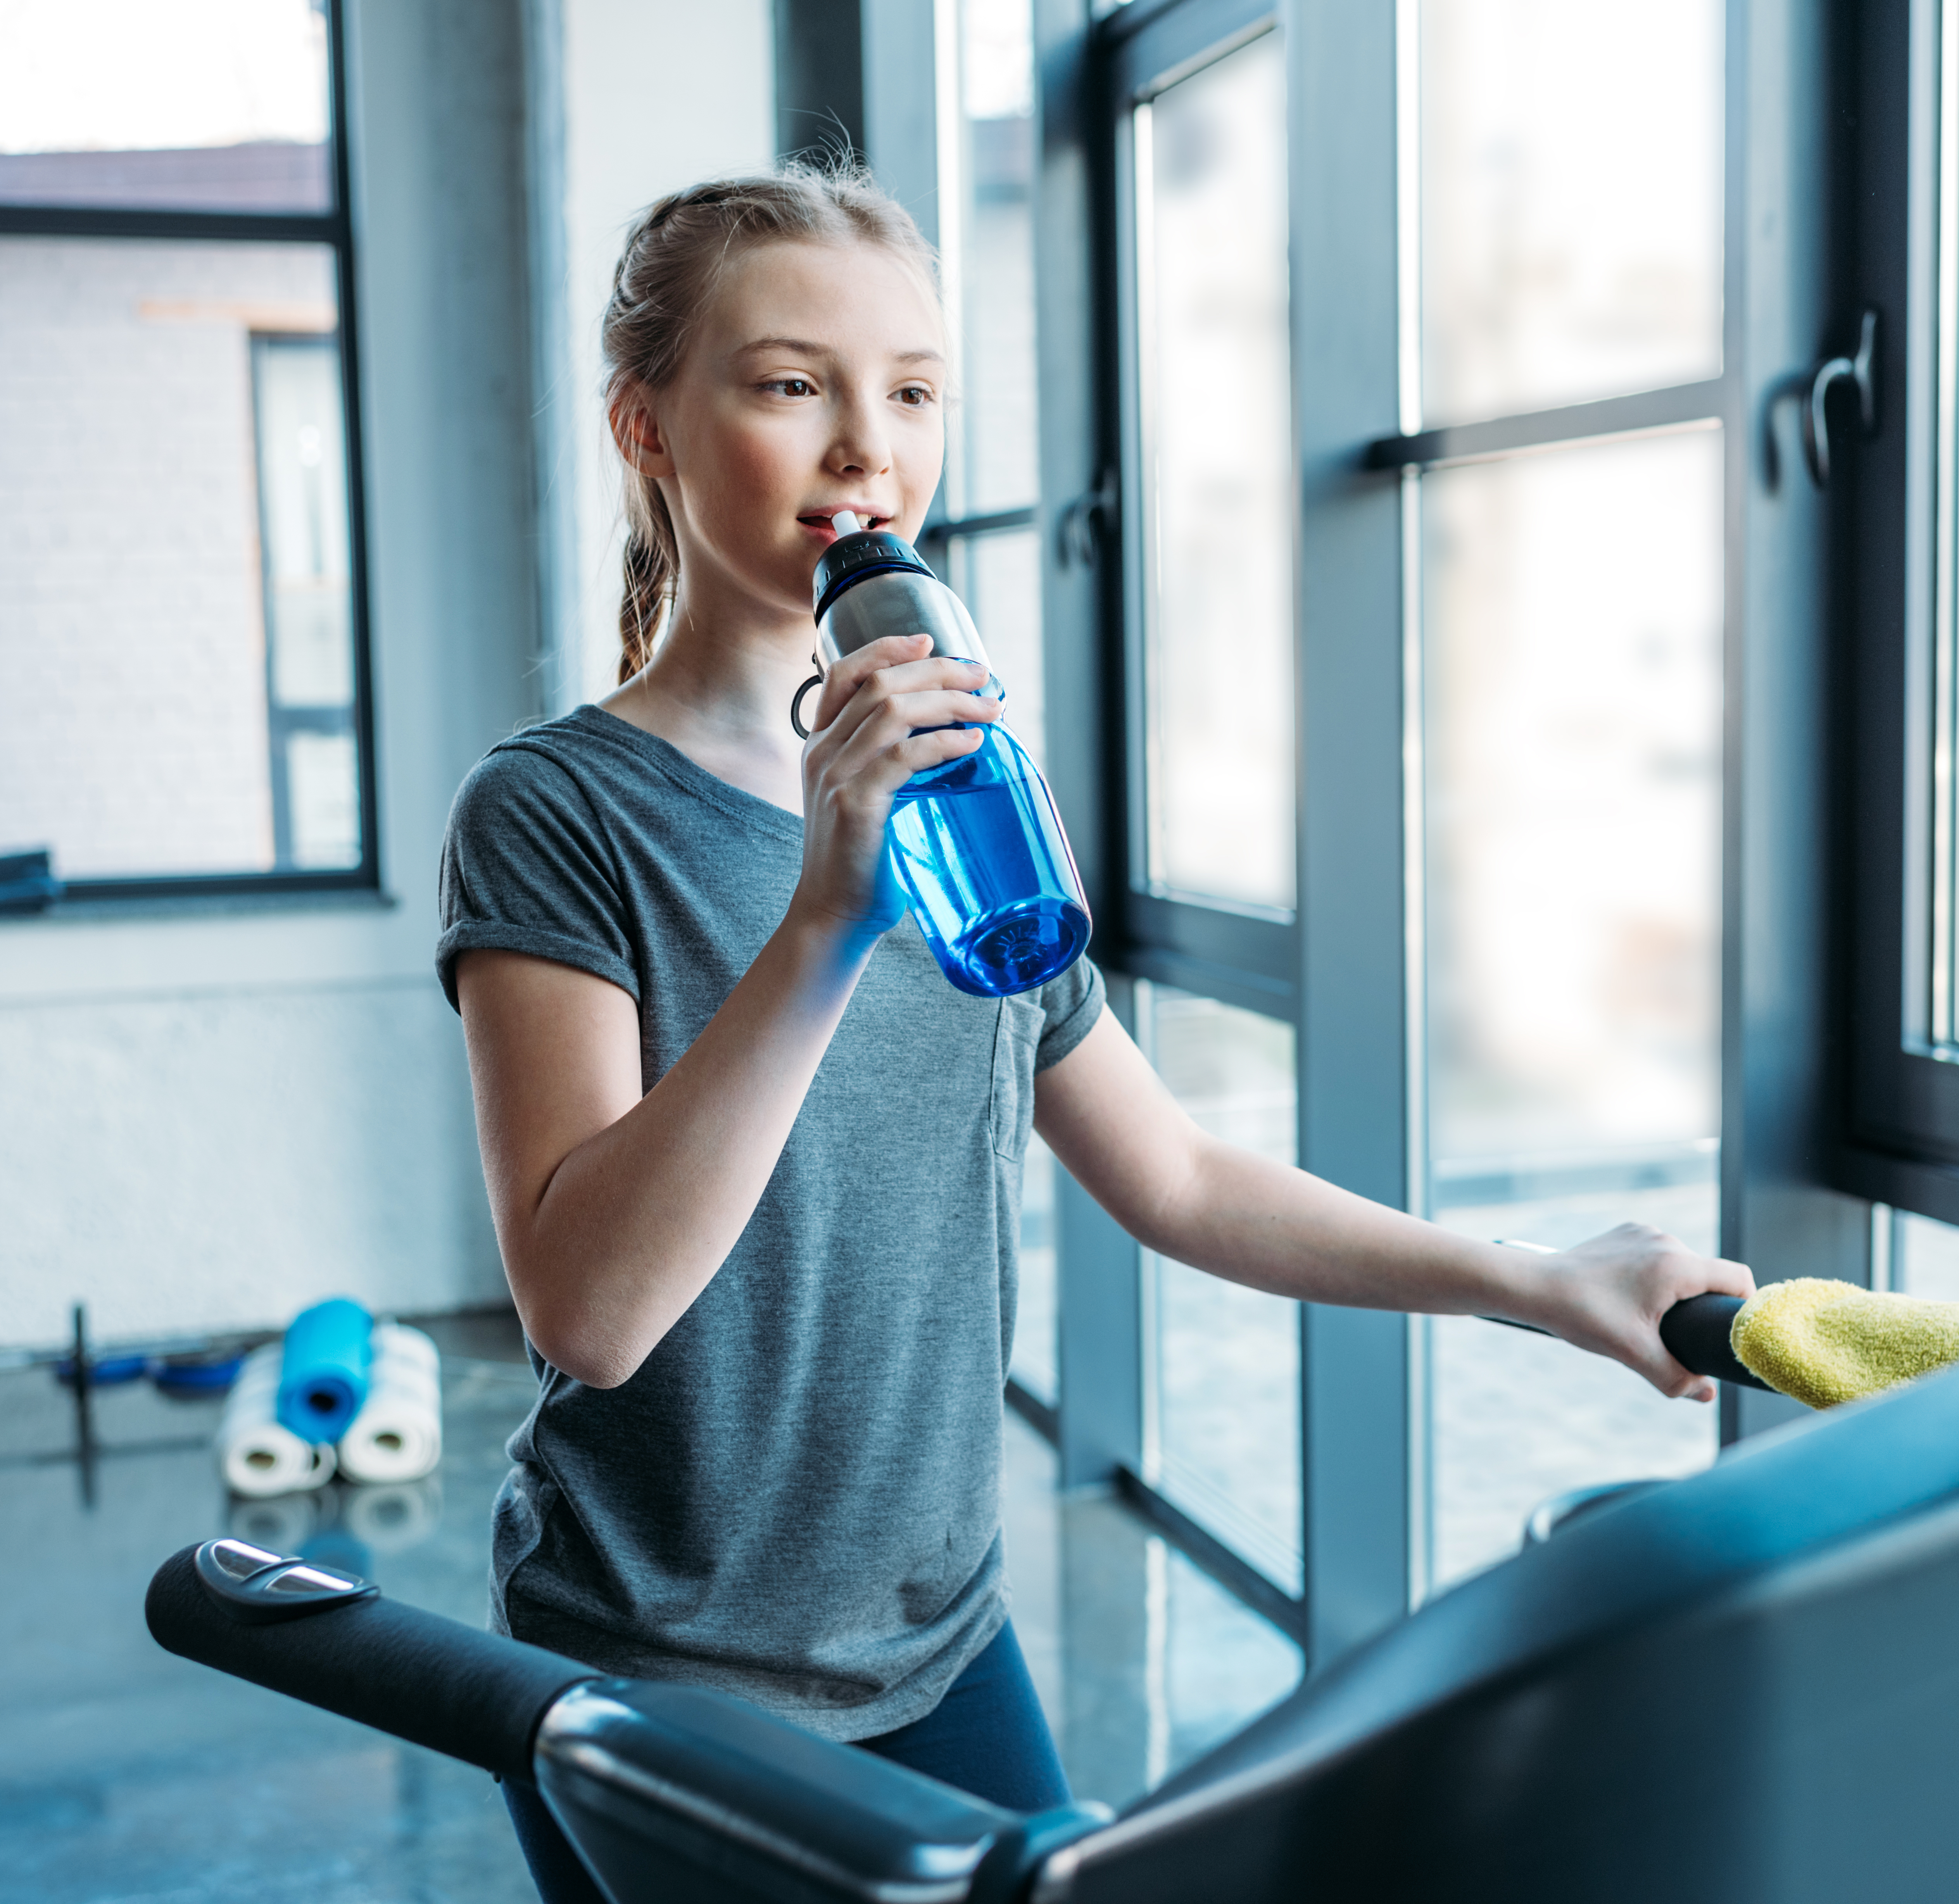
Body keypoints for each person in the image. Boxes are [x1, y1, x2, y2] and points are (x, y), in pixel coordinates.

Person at [435, 164, 1752, 1902]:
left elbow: (1182, 1176)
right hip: (661, 1666)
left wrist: (1544, 1278)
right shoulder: (556, 810)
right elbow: (590, 1313)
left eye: (910, 390)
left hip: (935, 1639)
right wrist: (829, 909)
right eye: (787, 384)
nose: (865, 449)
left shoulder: (977, 788)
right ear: (646, 426)